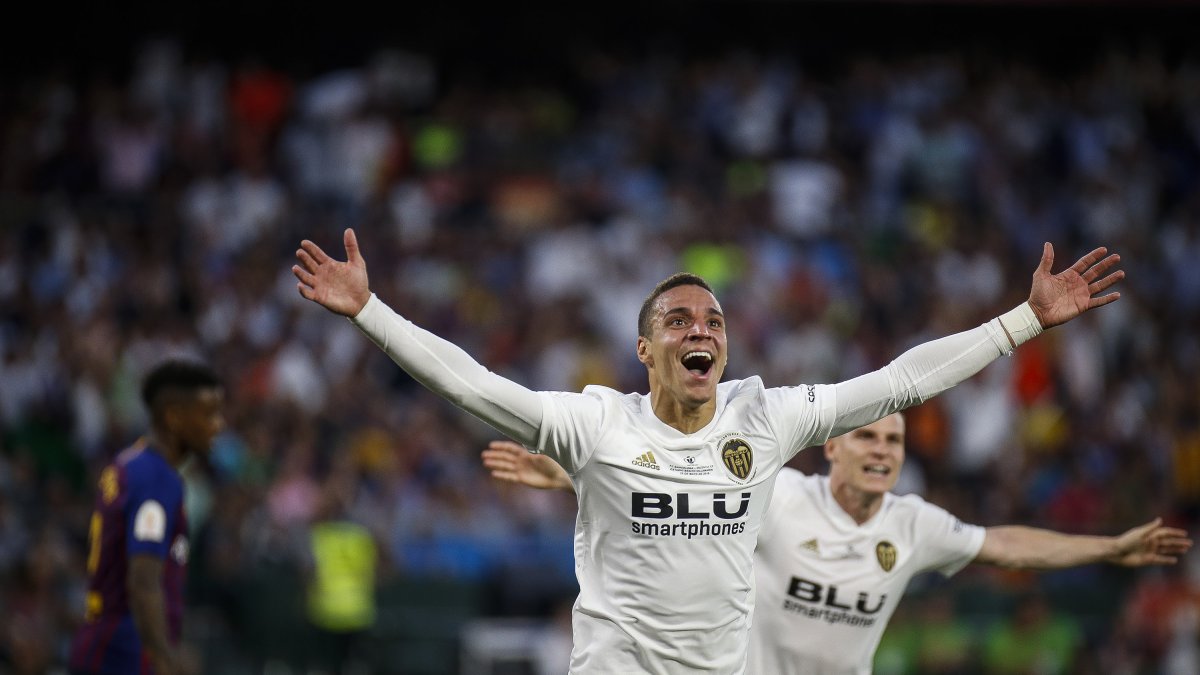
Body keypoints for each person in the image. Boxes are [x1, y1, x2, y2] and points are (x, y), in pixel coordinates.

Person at [293, 228, 1122, 673]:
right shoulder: (598, 424)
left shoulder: (768, 417)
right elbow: (470, 384)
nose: (702, 330)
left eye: (715, 320)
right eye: (680, 321)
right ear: (645, 350)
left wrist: (1022, 321)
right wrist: (371, 312)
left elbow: (900, 382)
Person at [480, 414, 1192, 674]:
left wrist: (1107, 547)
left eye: (894, 441)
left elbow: (1004, 543)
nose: (883, 451)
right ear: (832, 448)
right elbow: (678, 498)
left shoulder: (912, 524)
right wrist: (572, 473)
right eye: (868, 438)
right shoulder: (780, 493)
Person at [68, 360, 225, 675]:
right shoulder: (156, 478)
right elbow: (143, 580)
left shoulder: (129, 464)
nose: (217, 425)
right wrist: (164, 659)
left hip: (103, 638)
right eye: (207, 414)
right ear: (173, 417)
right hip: (124, 649)